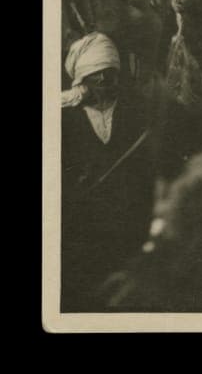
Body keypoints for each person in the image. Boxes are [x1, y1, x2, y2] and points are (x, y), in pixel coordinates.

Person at [60, 33, 156, 311]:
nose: (103, 81)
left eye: (108, 74)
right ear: (81, 79)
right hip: (80, 225)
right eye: (95, 75)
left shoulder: (137, 111)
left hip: (129, 221)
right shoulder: (64, 115)